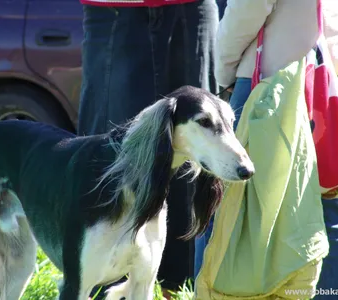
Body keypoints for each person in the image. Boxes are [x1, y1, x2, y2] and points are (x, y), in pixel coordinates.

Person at [195, 0, 338, 298]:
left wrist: (224, 68)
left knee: (229, 206)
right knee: (333, 209)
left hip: (275, 79)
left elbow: (250, 7)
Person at [77, 0, 219, 297]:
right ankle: (103, 291)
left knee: (198, 155)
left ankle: (179, 290)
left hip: (191, 10)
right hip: (115, 9)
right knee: (107, 162)